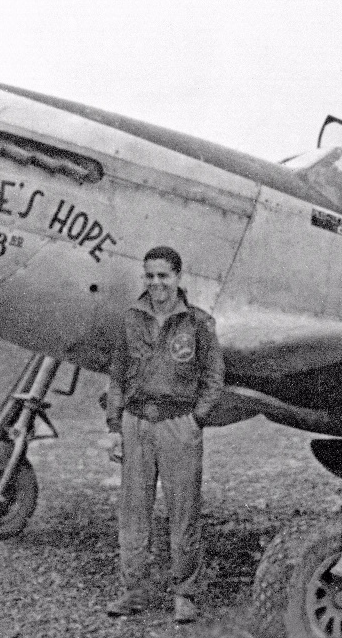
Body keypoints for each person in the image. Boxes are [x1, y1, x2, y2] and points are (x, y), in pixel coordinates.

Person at [104, 246, 224, 624]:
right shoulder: (130, 319)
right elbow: (118, 376)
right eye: (150, 276)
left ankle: (185, 594)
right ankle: (133, 591)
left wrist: (195, 419)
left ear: (178, 278)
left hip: (178, 425)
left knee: (183, 513)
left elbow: (213, 377)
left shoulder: (198, 323)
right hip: (136, 423)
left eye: (163, 276)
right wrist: (115, 428)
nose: (156, 283)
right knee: (134, 513)